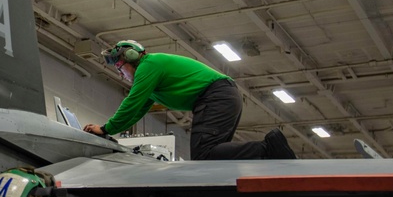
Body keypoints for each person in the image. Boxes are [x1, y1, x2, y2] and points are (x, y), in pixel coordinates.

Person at [83, 40, 297, 160]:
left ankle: (267, 148)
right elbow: (138, 110)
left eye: (120, 68)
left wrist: (106, 128)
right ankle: (264, 153)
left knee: (204, 154)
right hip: (224, 96)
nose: (121, 74)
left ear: (130, 58)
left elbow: (132, 102)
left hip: (215, 96)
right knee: (214, 158)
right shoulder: (152, 78)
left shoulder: (148, 65)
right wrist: (111, 130)